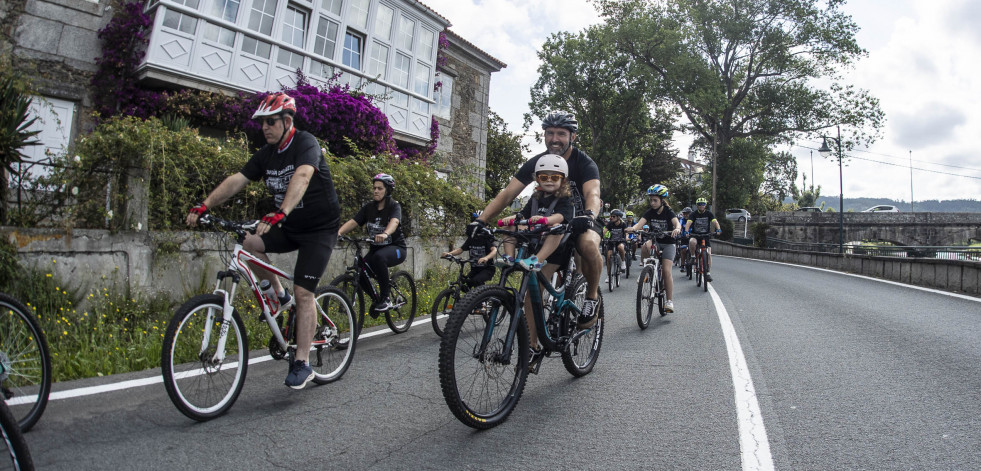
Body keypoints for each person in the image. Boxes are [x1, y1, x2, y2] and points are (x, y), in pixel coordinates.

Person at [186, 92, 341, 389]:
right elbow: (238, 179)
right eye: (262, 123)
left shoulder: (305, 142)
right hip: (288, 224)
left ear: (286, 121)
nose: (264, 128)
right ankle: (278, 295)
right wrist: (204, 205)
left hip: (320, 229)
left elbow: (304, 175)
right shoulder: (266, 154)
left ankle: (303, 362)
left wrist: (280, 211)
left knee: (304, 291)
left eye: (270, 122)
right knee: (249, 243)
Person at [467, 111, 603, 329]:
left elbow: (593, 195)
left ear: (573, 137)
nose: (554, 139)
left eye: (561, 133)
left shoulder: (585, 163)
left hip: (582, 217)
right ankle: (531, 351)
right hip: (549, 224)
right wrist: (481, 220)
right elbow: (508, 193)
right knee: (533, 286)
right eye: (550, 133)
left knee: (586, 244)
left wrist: (588, 216)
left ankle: (592, 297)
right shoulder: (538, 162)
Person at [497, 154, 574, 359]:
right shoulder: (535, 198)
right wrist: (509, 219)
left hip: (554, 252)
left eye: (554, 177)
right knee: (509, 227)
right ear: (537, 179)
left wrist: (546, 220)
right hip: (534, 244)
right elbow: (522, 215)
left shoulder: (565, 199)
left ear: (562, 180)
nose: (549, 180)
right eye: (544, 177)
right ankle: (509, 258)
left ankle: (537, 260)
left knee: (533, 292)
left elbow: (562, 217)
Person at [337, 173, 408, 312]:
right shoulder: (368, 208)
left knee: (379, 258)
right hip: (375, 250)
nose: (376, 191)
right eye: (374, 188)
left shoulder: (394, 206)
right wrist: (339, 232)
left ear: (387, 190)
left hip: (396, 248)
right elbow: (353, 222)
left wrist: (385, 233)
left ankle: (386, 298)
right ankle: (377, 301)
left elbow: (395, 222)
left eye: (380, 188)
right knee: (360, 271)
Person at [627, 184, 681, 313]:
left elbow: (676, 222)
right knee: (645, 246)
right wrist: (633, 229)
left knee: (667, 271)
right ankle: (646, 271)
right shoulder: (650, 212)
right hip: (656, 240)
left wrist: (677, 228)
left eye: (655, 200)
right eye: (651, 200)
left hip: (668, 243)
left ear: (662, 200)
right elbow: (640, 223)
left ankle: (669, 301)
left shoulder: (669, 212)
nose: (652, 203)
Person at [441, 212, 497, 291]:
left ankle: (484, 301)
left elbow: (494, 250)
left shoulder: (486, 238)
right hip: (475, 269)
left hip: (487, 269)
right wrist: (449, 254)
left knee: (476, 281)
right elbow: (460, 250)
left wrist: (486, 258)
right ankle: (471, 302)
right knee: (465, 285)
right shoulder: (471, 239)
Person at [684, 197, 722, 281]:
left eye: (703, 204)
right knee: (692, 242)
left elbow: (715, 221)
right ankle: (693, 257)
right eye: (700, 204)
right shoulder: (693, 214)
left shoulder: (709, 213)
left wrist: (718, 229)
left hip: (706, 235)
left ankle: (708, 273)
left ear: (705, 205)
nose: (701, 206)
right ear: (697, 206)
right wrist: (686, 231)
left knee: (708, 253)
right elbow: (688, 223)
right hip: (696, 234)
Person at [603, 209, 628, 282]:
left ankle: (623, 262)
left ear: (618, 217)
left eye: (613, 216)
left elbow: (626, 232)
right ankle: (608, 276)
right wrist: (601, 237)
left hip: (620, 241)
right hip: (612, 241)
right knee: (608, 257)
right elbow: (604, 231)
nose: (611, 218)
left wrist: (626, 237)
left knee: (620, 247)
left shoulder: (623, 224)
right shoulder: (610, 224)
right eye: (611, 216)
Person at [677, 206, 692, 273]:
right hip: (684, 237)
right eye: (684, 213)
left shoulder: (693, 219)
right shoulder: (682, 220)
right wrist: (678, 231)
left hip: (692, 237)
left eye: (687, 213)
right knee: (683, 251)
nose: (686, 215)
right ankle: (682, 265)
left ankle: (694, 262)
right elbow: (679, 225)